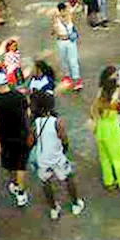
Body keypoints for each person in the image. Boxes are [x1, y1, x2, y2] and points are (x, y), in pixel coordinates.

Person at [30, 92, 85, 221]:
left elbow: (31, 140)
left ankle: (54, 208)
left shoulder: (35, 123)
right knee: (68, 178)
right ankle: (76, 203)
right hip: (57, 157)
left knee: (46, 183)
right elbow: (64, 138)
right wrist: (65, 148)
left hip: (43, 159)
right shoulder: (56, 122)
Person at [0, 72, 32, 206]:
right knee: (21, 164)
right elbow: (28, 114)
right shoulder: (19, 96)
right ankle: (21, 192)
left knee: (11, 164)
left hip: (6, 137)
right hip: (21, 134)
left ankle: (18, 187)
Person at [53, 2, 83, 91]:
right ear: (60, 11)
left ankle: (77, 79)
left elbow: (73, 8)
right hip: (61, 41)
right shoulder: (56, 19)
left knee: (73, 60)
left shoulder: (69, 16)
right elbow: (54, 31)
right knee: (63, 60)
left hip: (70, 41)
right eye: (63, 10)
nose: (65, 12)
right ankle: (67, 76)